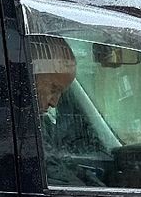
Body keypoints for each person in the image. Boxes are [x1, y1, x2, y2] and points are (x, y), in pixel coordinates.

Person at [27, 34, 106, 186]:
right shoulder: (17, 129)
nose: (54, 103)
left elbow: (60, 164)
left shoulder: (41, 124)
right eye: (53, 89)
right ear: (29, 76)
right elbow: (53, 174)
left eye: (61, 94)